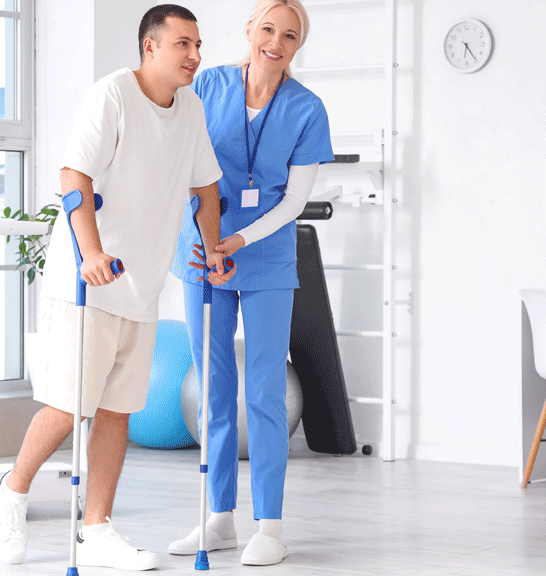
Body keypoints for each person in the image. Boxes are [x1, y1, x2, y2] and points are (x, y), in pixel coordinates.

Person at [0, 4, 234, 571]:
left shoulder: (191, 108)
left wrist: (215, 248)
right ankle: (13, 490)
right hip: (87, 280)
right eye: (183, 44)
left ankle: (95, 528)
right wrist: (91, 253)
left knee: (118, 411)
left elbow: (207, 189)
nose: (195, 56)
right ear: (151, 47)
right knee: (70, 406)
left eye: (198, 45)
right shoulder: (113, 96)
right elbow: (74, 177)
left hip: (140, 287)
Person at [167, 0, 332, 567]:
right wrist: (199, 237)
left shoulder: (307, 108)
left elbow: (293, 201)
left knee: (263, 390)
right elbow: (176, 165)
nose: (276, 42)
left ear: (297, 44)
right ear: (249, 30)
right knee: (213, 387)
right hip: (199, 252)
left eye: (290, 35)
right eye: (268, 29)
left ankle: (270, 525)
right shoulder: (205, 85)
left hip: (262, 260)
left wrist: (235, 242)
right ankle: (218, 519)